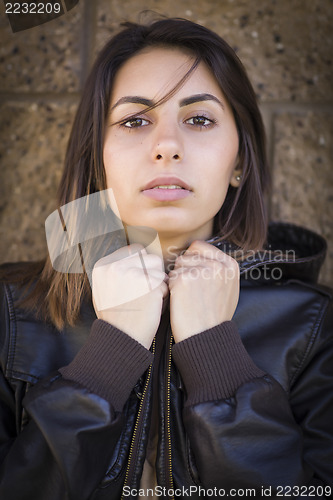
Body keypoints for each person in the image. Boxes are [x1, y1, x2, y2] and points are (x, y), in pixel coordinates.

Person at [0, 17, 332, 500]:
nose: (167, 147)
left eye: (199, 119)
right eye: (135, 121)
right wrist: (107, 357)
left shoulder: (316, 326)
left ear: (239, 161)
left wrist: (216, 355)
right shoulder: (10, 314)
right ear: (99, 158)